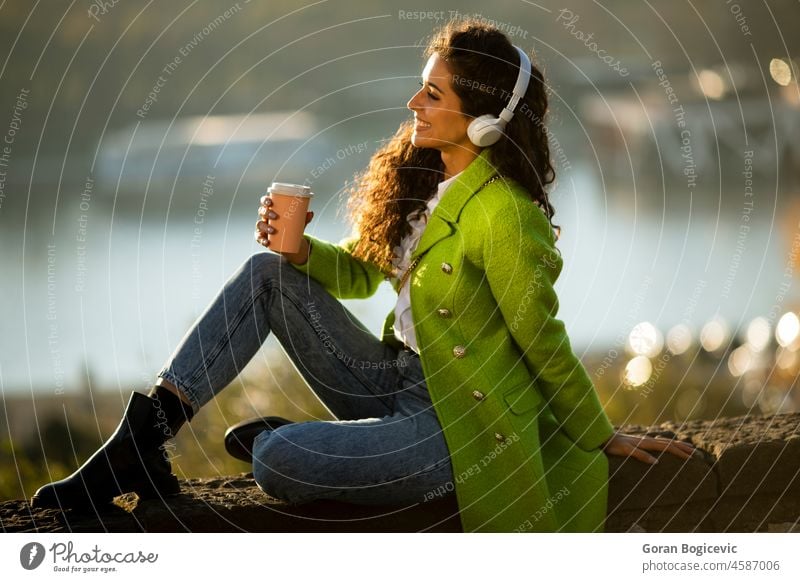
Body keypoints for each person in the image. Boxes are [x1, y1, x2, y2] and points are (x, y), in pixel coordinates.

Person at [31, 16, 695, 532]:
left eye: (434, 94)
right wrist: (299, 252)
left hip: (456, 426)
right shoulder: (422, 183)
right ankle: (138, 445)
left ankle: (295, 441)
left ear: (486, 119)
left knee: (274, 462)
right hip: (391, 379)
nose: (414, 101)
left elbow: (542, 341)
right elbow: (354, 275)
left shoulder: (506, 217)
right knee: (265, 273)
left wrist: (600, 433)